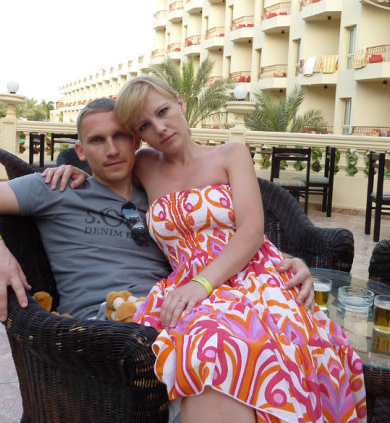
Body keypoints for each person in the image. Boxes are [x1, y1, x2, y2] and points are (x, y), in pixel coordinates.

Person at [110, 77, 366, 423]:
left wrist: (203, 284)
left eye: (163, 111)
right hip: (189, 285)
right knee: (209, 349)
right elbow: (97, 164)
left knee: (244, 347)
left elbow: (252, 230)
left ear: (181, 103)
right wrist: (67, 170)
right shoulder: (143, 163)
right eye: (144, 125)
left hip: (250, 277)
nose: (160, 128)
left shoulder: (230, 153)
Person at [0, 97, 315, 325]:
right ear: (80, 151)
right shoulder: (56, 187)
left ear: (136, 142)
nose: (112, 149)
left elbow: (213, 234)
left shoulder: (158, 195)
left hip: (177, 310)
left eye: (120, 136)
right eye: (97, 141)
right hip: (105, 325)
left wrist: (282, 260)